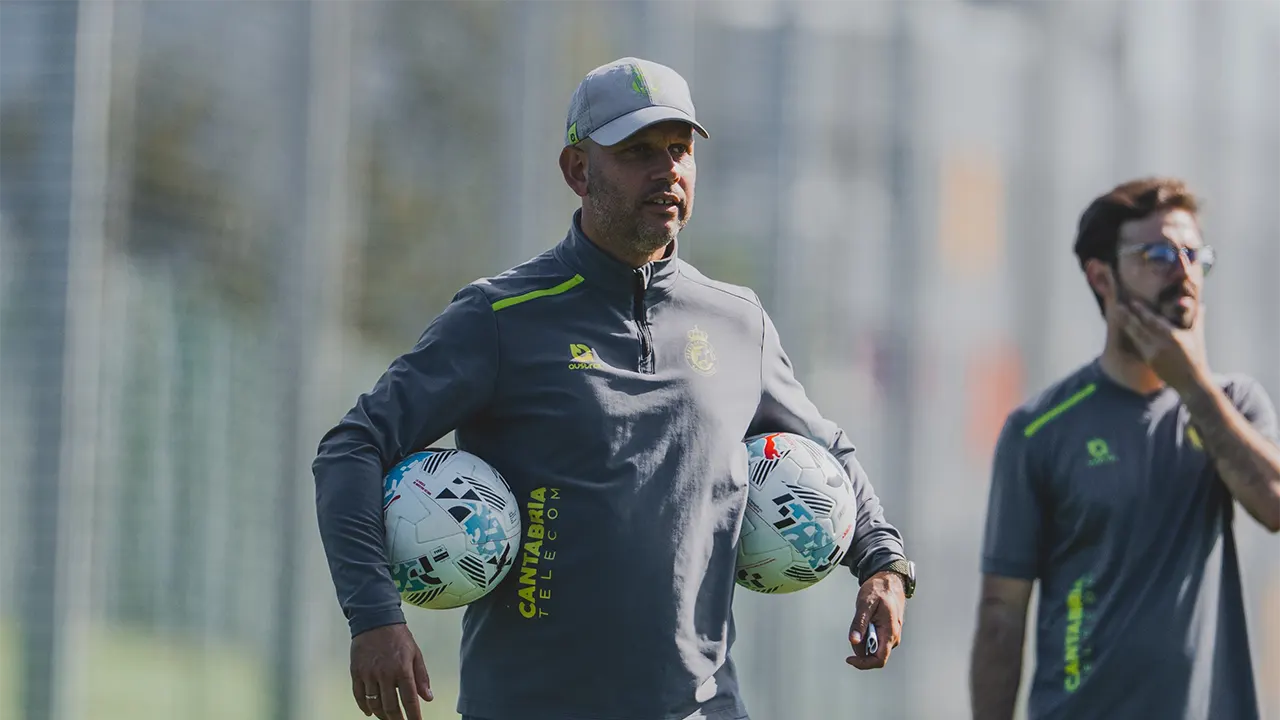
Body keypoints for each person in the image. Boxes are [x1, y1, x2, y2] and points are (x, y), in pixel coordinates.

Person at [313, 57, 915, 720]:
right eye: (636, 152)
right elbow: (352, 447)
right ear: (578, 170)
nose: (667, 171)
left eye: (679, 149)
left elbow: (831, 453)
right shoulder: (499, 319)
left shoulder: (739, 324)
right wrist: (374, 615)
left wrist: (883, 565)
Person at [969, 177, 1280, 720]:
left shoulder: (1233, 404)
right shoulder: (1039, 430)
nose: (1182, 270)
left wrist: (1191, 384)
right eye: (1157, 254)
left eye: (1192, 254)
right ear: (1102, 277)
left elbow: (1274, 504)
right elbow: (1002, 615)